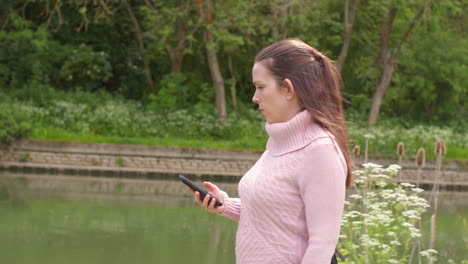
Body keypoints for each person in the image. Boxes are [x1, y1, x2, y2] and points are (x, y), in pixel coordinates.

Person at [190, 39, 353, 264]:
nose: (254, 97)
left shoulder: (320, 150)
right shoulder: (279, 141)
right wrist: (225, 204)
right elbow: (273, 217)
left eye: (261, 86)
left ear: (288, 89)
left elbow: (322, 245)